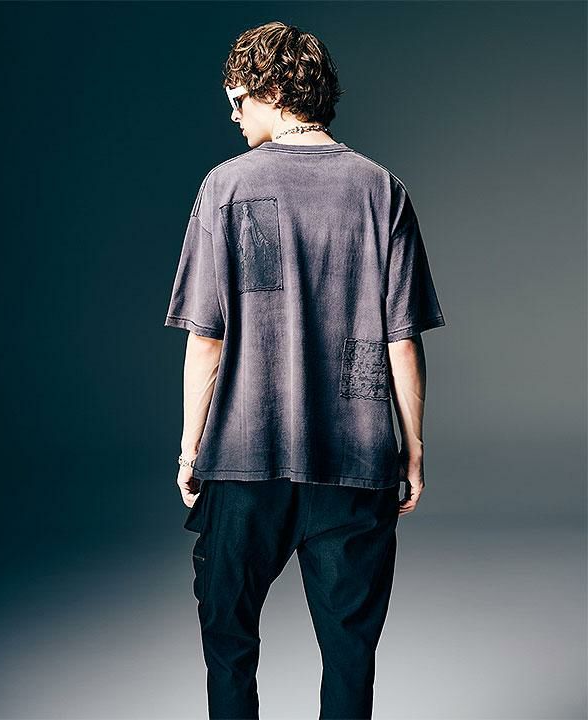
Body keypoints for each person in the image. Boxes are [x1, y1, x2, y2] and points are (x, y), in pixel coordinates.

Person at [164, 21, 446, 720]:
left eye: (237, 99)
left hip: (244, 459)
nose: (233, 115)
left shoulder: (224, 188)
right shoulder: (381, 191)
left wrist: (191, 450)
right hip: (356, 463)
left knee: (229, 643)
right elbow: (401, 341)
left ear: (269, 89)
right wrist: (412, 449)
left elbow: (207, 341)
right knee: (350, 653)